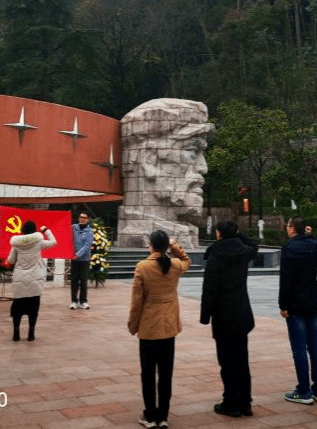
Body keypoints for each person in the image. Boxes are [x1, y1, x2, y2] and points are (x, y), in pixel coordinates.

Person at [117, 98, 215, 248]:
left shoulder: (186, 230)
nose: (203, 167)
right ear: (149, 159)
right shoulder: (136, 232)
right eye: (192, 150)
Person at [128, 230, 191, 429]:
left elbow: (136, 301)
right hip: (169, 326)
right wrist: (174, 246)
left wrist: (133, 325)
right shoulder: (174, 265)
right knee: (165, 374)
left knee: (147, 374)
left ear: (151, 245)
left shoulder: (143, 267)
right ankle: (163, 416)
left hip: (149, 327)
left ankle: (149, 415)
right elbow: (187, 261)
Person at [200, 220, 257, 418]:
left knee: (227, 361)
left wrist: (205, 315)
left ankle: (231, 403)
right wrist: (238, 234)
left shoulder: (215, 254)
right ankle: (245, 403)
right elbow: (254, 246)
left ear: (219, 234)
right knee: (242, 359)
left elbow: (209, 287)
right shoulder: (243, 252)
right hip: (241, 312)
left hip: (223, 314)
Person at [279, 217, 317, 404]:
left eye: (288, 226)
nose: (287, 229)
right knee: (314, 346)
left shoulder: (288, 248)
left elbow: (285, 279)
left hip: (295, 305)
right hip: (312, 303)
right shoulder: (313, 246)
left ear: (292, 229)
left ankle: (304, 391)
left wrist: (283, 305)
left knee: (299, 348)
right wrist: (310, 236)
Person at [7, 220, 56, 341]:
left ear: (23, 230)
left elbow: (11, 260)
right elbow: (53, 242)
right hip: (35, 279)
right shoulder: (39, 242)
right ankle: (31, 333)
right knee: (33, 307)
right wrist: (46, 231)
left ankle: (16, 333)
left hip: (19, 279)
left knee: (17, 307)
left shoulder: (16, 244)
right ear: (34, 230)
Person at [70, 211, 94, 309]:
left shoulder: (90, 231)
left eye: (84, 218)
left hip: (84, 260)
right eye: (81, 217)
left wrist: (78, 254)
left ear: (88, 219)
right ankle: (73, 301)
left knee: (83, 281)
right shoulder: (73, 228)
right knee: (74, 281)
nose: (82, 219)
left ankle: (83, 301)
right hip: (74, 259)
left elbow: (87, 245)